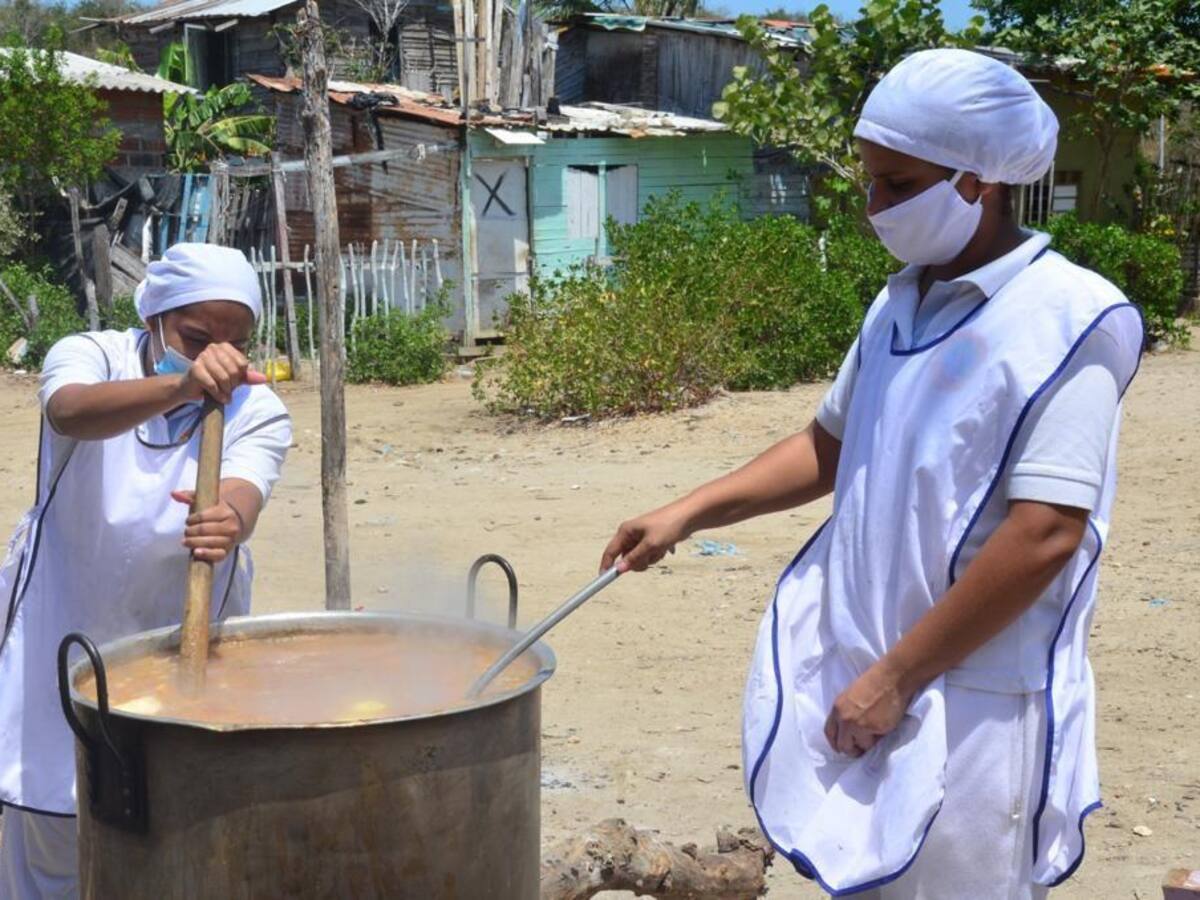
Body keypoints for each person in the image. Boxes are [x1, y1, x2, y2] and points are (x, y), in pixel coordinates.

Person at [600, 49, 1143, 899]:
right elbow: (831, 444)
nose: (873, 207)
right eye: (870, 183)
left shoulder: (1071, 323)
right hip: (878, 678)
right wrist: (687, 512)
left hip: (972, 703)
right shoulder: (900, 305)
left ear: (978, 183)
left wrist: (899, 677)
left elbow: (1046, 535)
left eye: (897, 185)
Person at [0, 243, 292, 898]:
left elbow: (246, 492)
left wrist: (230, 520)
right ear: (154, 317)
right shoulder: (91, 355)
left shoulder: (256, 407)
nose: (218, 357)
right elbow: (67, 410)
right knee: (53, 820)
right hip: (64, 624)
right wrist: (180, 384)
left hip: (179, 639)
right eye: (195, 337)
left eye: (234, 341)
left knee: (172, 832)